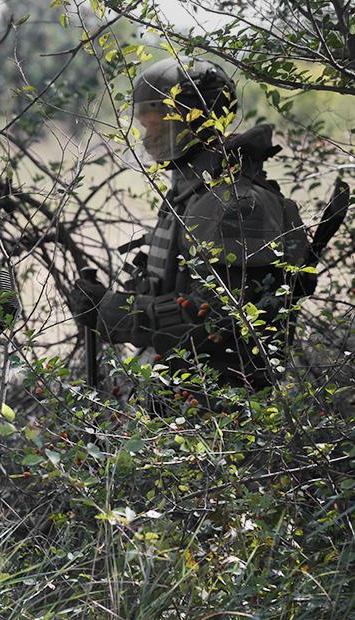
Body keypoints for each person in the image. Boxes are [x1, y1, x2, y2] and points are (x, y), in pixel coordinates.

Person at [68, 57, 309, 393]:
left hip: (225, 402)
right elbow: (179, 290)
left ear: (195, 121)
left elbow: (222, 314)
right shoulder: (192, 192)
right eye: (145, 123)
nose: (147, 136)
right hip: (185, 390)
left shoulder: (235, 203)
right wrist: (118, 300)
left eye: (158, 123)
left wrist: (118, 313)